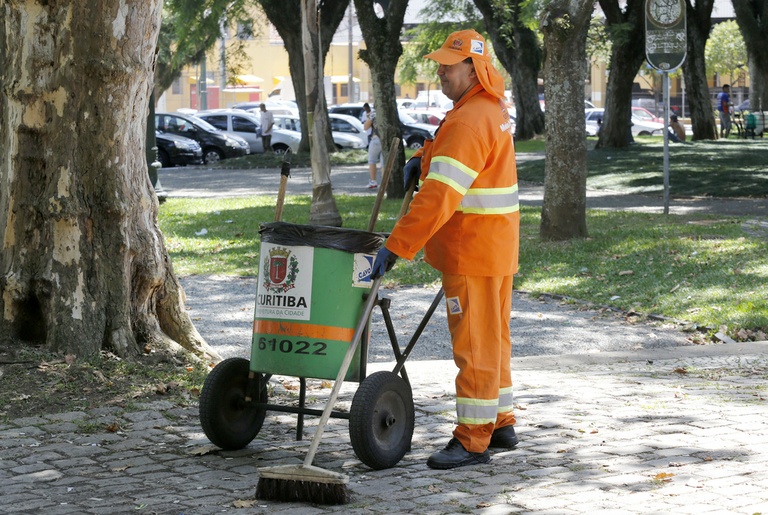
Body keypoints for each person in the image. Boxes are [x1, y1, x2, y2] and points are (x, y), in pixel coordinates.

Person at [371, 29, 520, 469]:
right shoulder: (487, 109)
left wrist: (397, 245)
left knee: (474, 343)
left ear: (472, 69)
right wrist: (426, 154)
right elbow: (462, 160)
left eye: (447, 66)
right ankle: (501, 422)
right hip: (494, 247)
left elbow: (439, 196)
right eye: (438, 65)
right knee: (494, 338)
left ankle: (474, 439)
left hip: (470, 250)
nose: (439, 72)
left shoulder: (470, 119)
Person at [363, 107, 380, 189]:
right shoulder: (389, 112)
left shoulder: (374, 113)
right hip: (387, 140)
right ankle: (385, 184)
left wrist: (369, 117)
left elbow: (365, 127)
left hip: (376, 139)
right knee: (384, 163)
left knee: (372, 160)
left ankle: (373, 181)